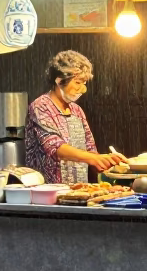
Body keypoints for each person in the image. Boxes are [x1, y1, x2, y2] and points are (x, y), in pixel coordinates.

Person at [25, 50, 125, 184]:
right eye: (78, 82)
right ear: (59, 81)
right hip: (47, 194)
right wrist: (93, 159)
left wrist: (107, 160)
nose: (83, 89)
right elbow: (56, 148)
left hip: (77, 191)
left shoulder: (77, 111)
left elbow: (90, 150)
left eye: (84, 83)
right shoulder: (40, 106)